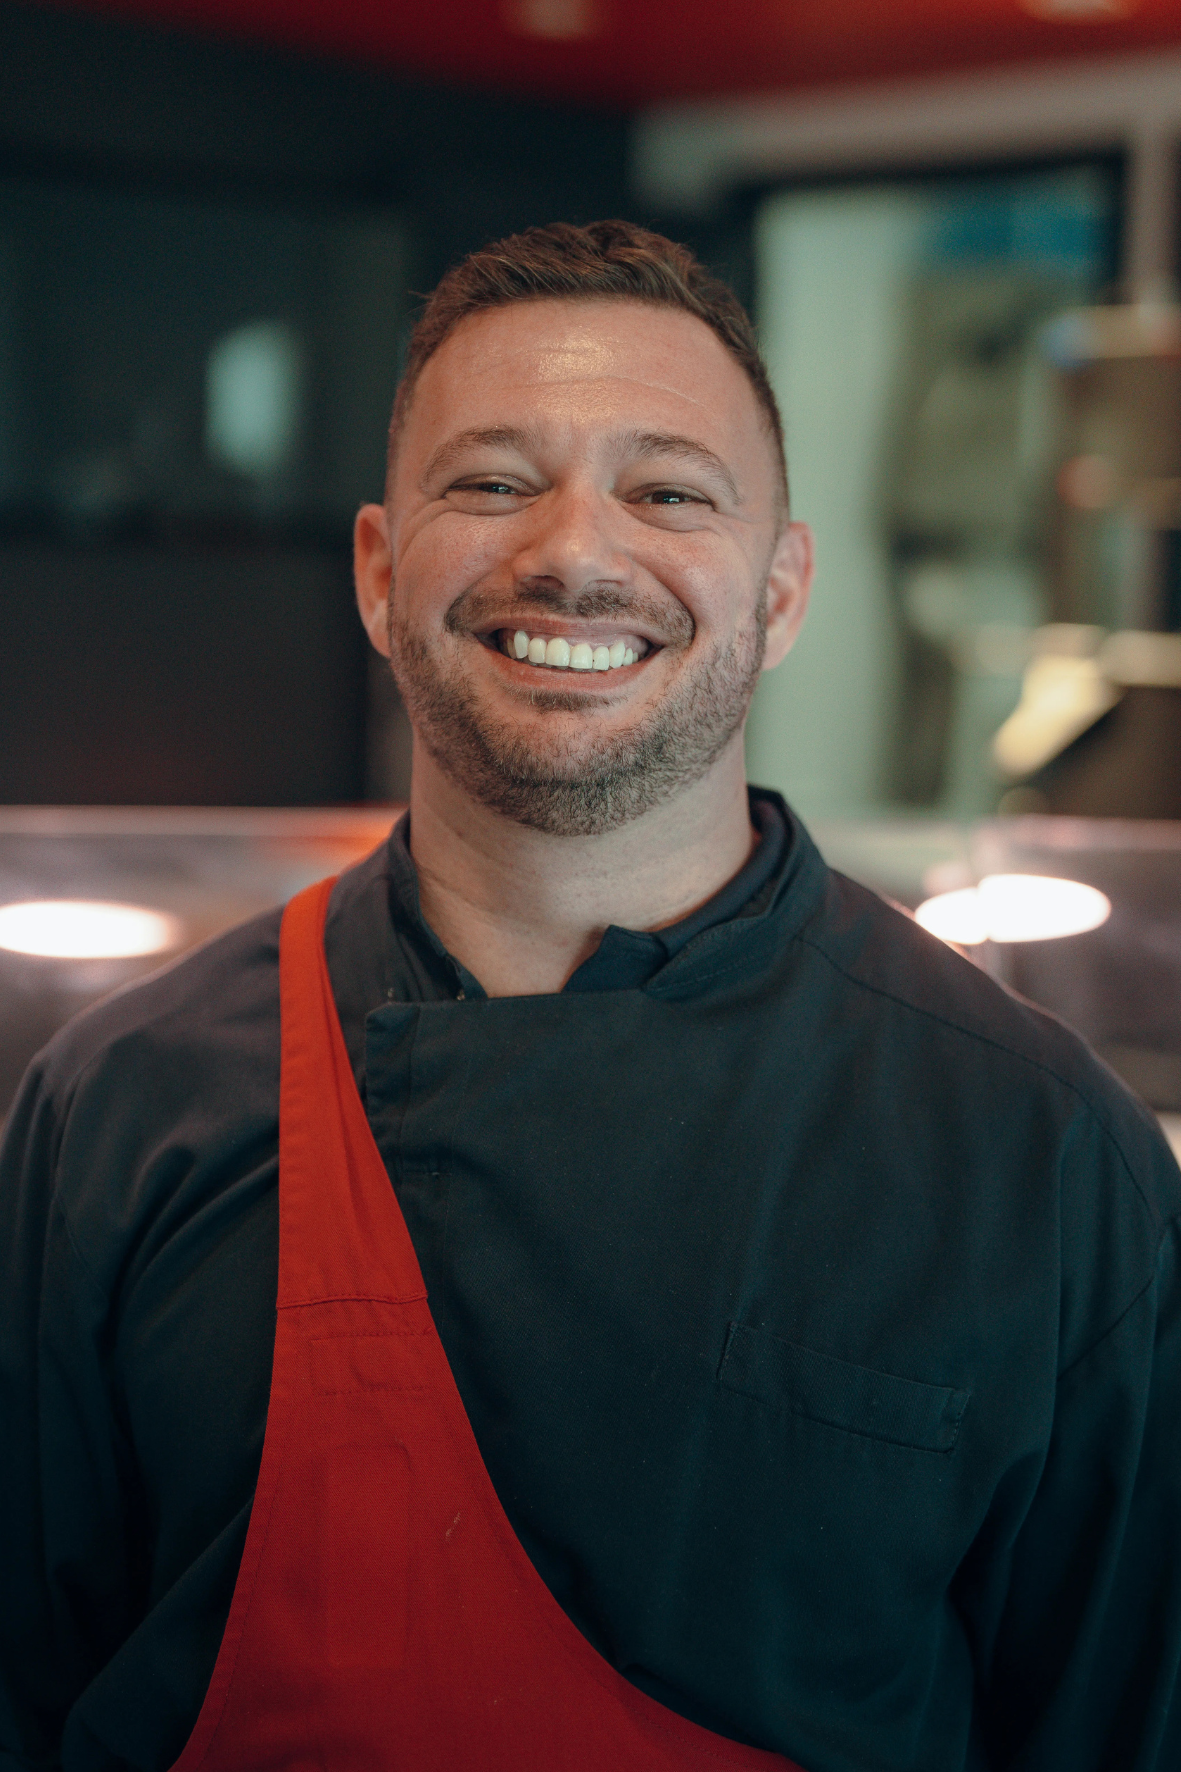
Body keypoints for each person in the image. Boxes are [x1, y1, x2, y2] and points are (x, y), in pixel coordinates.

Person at [2, 220, 1179, 1772]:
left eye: (669, 493)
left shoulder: (1048, 1156)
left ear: (781, 591)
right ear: (379, 572)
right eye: (494, 482)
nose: (573, 550)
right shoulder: (121, 1108)